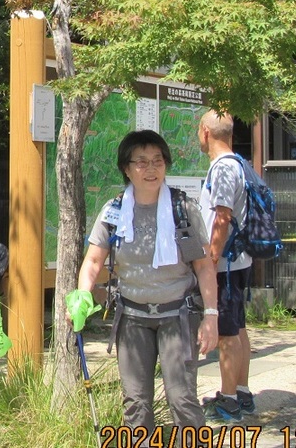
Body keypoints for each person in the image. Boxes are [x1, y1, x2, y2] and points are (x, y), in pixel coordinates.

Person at [68, 130, 218, 436]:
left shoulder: (182, 211)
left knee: (182, 399)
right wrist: (83, 296)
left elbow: (203, 266)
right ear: (127, 168)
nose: (151, 169)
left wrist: (211, 317)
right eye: (141, 162)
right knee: (136, 403)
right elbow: (94, 261)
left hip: (177, 315)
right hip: (133, 317)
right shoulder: (114, 211)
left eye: (158, 161)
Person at [198, 111, 255, 421]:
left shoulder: (222, 169)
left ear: (205, 132)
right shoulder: (241, 164)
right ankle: (243, 392)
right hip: (241, 259)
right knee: (239, 328)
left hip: (225, 266)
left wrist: (211, 259)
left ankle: (229, 400)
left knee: (227, 333)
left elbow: (221, 216)